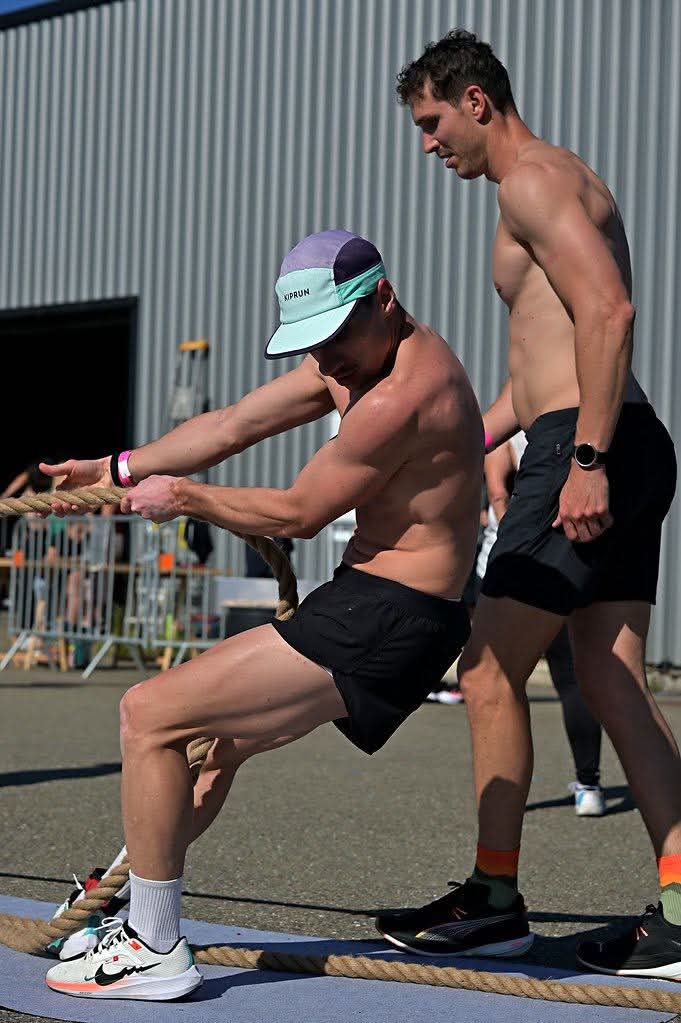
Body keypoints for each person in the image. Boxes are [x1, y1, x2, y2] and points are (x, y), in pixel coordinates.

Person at [40, 228, 483, 1000]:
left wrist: (181, 497)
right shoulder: (355, 355)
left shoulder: (406, 391)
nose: (329, 357)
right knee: (219, 746)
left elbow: (299, 510)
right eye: (315, 341)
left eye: (337, 334)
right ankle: (127, 904)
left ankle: (152, 942)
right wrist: (118, 467)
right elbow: (233, 424)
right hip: (377, 604)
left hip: (387, 614)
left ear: (383, 298)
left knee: (149, 713)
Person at [376, 31, 681, 978]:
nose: (428, 144)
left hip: (590, 446)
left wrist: (581, 457)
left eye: (431, 122)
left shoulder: (529, 181)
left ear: (475, 101)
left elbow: (609, 316)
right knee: (610, 675)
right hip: (618, 438)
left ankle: (492, 898)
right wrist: (469, 444)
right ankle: (680, 905)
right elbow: (542, 365)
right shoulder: (557, 178)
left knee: (486, 665)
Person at [482, 434, 604, 816]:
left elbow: (498, 499)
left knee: (501, 684)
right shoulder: (584, 430)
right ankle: (589, 786)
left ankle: (507, 795)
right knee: (572, 680)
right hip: (575, 561)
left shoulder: (506, 438)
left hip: (517, 567)